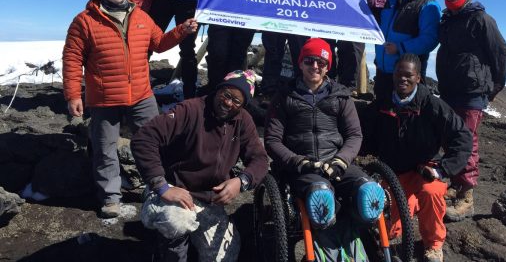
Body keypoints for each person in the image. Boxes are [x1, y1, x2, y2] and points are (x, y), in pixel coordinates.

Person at [62, 0, 198, 218]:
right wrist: (73, 95)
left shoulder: (142, 17)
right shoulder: (85, 20)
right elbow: (72, 59)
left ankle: (156, 187)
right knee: (105, 148)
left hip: (141, 95)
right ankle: (110, 198)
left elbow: (158, 44)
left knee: (155, 143)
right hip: (104, 97)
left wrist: (181, 31)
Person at [264, 38, 385, 258]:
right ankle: (330, 232)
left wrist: (341, 160)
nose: (315, 67)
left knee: (370, 192)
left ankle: (353, 225)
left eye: (321, 62)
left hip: (337, 163)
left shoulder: (341, 95)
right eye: (310, 61)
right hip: (303, 167)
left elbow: (354, 135)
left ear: (328, 66)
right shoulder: (284, 96)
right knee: (321, 197)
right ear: (300, 63)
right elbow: (272, 140)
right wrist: (297, 161)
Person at [131, 70, 269, 262]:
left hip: (208, 201)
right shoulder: (190, 109)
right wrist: (161, 186)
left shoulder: (243, 121)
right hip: (174, 191)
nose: (229, 103)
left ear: (243, 105)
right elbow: (144, 138)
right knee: (176, 222)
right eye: (226, 95)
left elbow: (260, 159)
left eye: (236, 101)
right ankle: (167, 253)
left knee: (225, 257)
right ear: (218, 89)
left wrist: (241, 181)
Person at [372, 54, 472, 262]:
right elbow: (361, 134)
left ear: (418, 77)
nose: (403, 79)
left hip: (424, 170)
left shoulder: (432, 105)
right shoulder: (382, 105)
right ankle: (412, 204)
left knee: (432, 191)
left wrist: (443, 170)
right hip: (393, 173)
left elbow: (461, 137)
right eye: (399, 73)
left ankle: (434, 245)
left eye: (409, 75)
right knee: (388, 231)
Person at [436, 0, 506, 222]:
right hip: (449, 89)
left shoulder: (481, 19)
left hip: (472, 92)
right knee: (450, 138)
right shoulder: (447, 20)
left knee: (467, 141)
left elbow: (500, 52)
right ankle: (456, 185)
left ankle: (466, 196)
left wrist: (494, 87)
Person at [374, 0, 441, 110]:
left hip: (406, 77)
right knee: (381, 118)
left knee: (404, 119)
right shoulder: (390, 1)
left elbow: (430, 39)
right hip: (383, 72)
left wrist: (400, 48)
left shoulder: (427, 3)